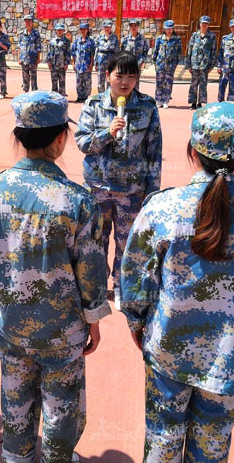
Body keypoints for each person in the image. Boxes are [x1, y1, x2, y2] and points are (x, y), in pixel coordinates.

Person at [120, 101, 234, 463]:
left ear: (193, 151)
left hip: (168, 350)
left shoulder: (163, 208)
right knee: (212, 448)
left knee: (163, 441)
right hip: (231, 356)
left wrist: (138, 324)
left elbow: (135, 280)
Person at [0, 90, 111, 463]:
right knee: (61, 400)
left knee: (16, 389)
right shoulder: (77, 200)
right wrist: (94, 321)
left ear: (19, 138)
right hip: (61, 328)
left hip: (11, 321)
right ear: (60, 138)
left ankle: (17, 455)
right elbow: (91, 274)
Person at [75, 51, 162, 304]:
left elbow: (154, 151)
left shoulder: (147, 107)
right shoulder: (93, 105)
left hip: (131, 192)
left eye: (131, 76)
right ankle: (98, 287)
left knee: (128, 245)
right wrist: (107, 133)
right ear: (107, 75)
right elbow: (82, 142)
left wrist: (152, 192)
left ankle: (123, 287)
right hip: (98, 189)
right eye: (119, 75)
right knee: (95, 243)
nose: (124, 82)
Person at [185, 15, 217, 109]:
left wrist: (212, 65)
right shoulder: (194, 35)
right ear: (199, 24)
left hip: (205, 64)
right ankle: (193, 103)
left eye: (206, 24)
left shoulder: (211, 36)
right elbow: (189, 50)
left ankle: (200, 103)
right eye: (203, 23)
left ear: (208, 25)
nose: (204, 25)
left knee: (203, 84)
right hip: (194, 64)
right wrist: (188, 65)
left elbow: (213, 51)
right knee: (193, 84)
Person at [152, 19, 181, 109]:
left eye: (171, 29)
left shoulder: (177, 39)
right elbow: (155, 51)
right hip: (160, 64)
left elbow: (179, 52)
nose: (169, 31)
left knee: (168, 83)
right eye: (167, 29)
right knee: (159, 83)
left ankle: (165, 100)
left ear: (173, 29)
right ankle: (158, 100)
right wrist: (154, 62)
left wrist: (176, 63)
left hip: (171, 65)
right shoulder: (160, 38)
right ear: (164, 29)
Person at [70, 22, 95, 102]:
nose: (83, 31)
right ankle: (80, 97)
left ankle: (85, 97)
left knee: (87, 83)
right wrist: (73, 64)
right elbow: (73, 53)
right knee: (78, 82)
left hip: (87, 66)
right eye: (81, 29)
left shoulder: (91, 42)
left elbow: (92, 55)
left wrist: (91, 64)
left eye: (84, 29)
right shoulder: (77, 41)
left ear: (87, 30)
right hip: (78, 65)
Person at [17, 14, 41, 92]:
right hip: (24, 59)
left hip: (33, 59)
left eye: (29, 21)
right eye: (26, 21)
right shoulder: (21, 34)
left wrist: (38, 58)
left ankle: (34, 92)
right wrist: (19, 58)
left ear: (32, 22)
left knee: (33, 76)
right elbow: (19, 47)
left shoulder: (36, 34)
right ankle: (25, 92)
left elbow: (38, 47)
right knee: (25, 77)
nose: (28, 23)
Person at [94, 19, 119, 93]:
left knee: (110, 79)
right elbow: (97, 50)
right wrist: (95, 62)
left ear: (111, 27)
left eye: (108, 27)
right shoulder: (99, 38)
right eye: (105, 27)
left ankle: (109, 96)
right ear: (103, 28)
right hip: (101, 61)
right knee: (100, 80)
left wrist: (116, 63)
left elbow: (117, 51)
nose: (107, 29)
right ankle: (101, 96)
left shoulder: (114, 38)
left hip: (110, 61)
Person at [46, 23, 70, 96]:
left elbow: (68, 53)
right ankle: (54, 97)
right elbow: (49, 51)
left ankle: (62, 97)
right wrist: (48, 61)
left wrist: (66, 63)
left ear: (63, 31)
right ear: (56, 30)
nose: (59, 31)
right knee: (54, 82)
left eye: (61, 30)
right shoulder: (52, 41)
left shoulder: (66, 41)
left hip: (62, 65)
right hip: (53, 65)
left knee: (62, 82)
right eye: (58, 30)